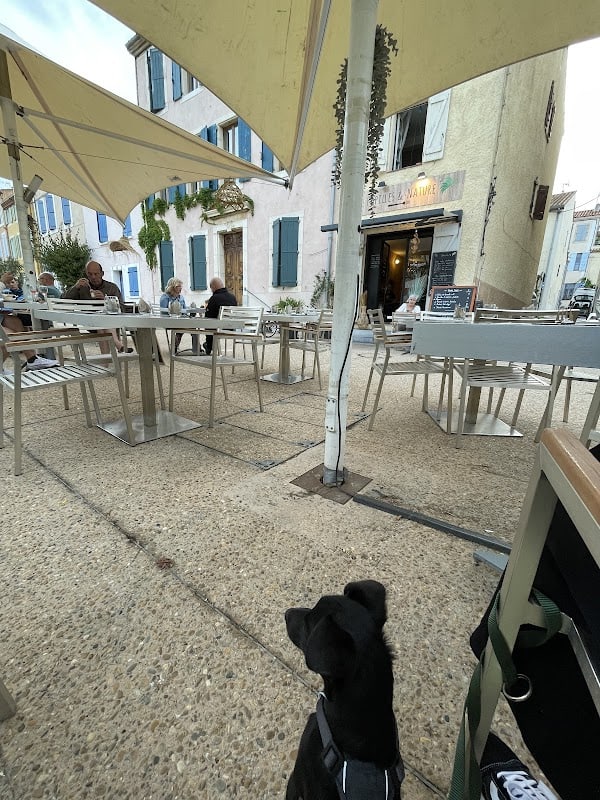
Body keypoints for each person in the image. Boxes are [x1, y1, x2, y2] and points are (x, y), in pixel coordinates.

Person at [63, 260, 131, 353]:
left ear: (102, 273)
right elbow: (62, 300)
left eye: (96, 274)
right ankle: (117, 344)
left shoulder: (111, 287)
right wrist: (75, 287)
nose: (93, 277)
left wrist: (105, 299)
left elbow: (122, 308)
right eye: (90, 274)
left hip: (109, 324)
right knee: (102, 322)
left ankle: (105, 363)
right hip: (90, 323)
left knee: (102, 324)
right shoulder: (82, 287)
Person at [159, 277, 199, 355]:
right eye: (178, 286)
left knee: (193, 325)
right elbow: (164, 311)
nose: (180, 288)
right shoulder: (165, 297)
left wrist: (189, 310)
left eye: (181, 286)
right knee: (182, 326)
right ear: (172, 287)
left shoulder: (181, 297)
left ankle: (196, 348)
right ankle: (175, 346)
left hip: (180, 320)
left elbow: (184, 310)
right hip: (168, 321)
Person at [203, 276, 237, 355]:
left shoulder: (214, 298)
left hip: (219, 329)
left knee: (209, 323)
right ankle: (209, 345)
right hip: (231, 328)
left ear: (214, 287)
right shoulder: (232, 297)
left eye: (211, 288)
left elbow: (208, 316)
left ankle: (209, 346)